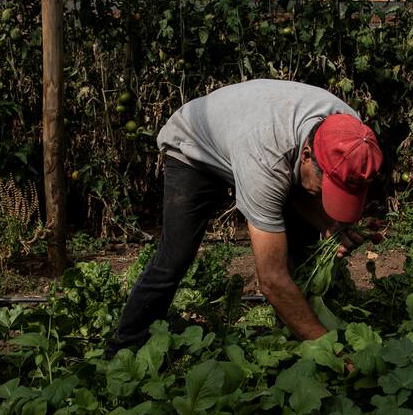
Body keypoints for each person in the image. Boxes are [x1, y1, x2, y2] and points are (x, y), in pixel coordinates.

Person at [104, 79, 383, 358]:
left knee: (302, 245)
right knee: (175, 255)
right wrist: (332, 352)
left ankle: (294, 333)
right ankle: (124, 346)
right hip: (195, 145)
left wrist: (329, 225)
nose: (327, 198)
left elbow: (303, 179)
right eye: (329, 187)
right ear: (307, 155)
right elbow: (271, 280)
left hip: (256, 137)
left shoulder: (352, 136)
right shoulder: (266, 162)